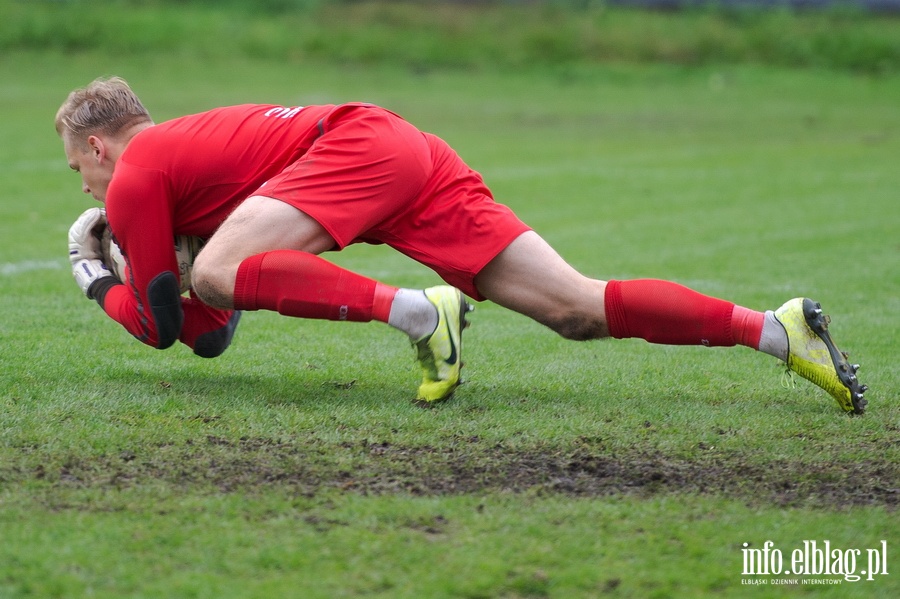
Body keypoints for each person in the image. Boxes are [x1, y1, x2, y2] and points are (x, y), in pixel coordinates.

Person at [57, 76, 867, 413]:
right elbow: (212, 330)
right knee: (574, 308)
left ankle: (420, 313)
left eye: (77, 170)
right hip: (398, 145)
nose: (85, 189)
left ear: (99, 147)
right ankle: (778, 327)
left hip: (358, 145)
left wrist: (94, 271)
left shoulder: (135, 177)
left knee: (227, 268)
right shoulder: (180, 153)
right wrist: (190, 278)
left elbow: (167, 322)